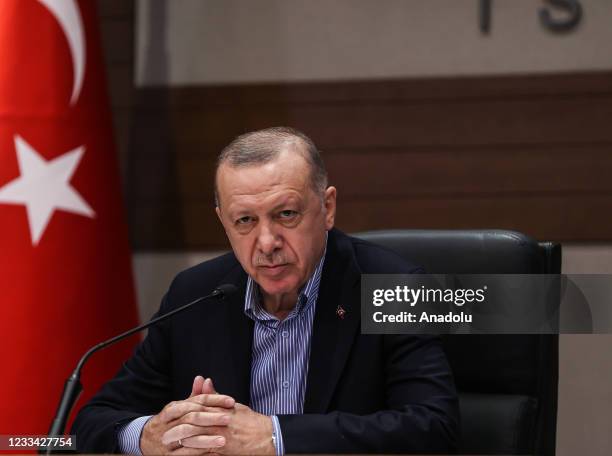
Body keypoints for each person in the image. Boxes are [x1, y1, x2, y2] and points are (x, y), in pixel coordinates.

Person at [72, 127, 459, 454]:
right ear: (224, 223)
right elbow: (89, 424)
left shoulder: (395, 286)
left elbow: (434, 427)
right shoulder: (195, 294)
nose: (267, 241)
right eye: (245, 220)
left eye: (285, 214)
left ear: (327, 208)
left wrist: (276, 437)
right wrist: (149, 437)